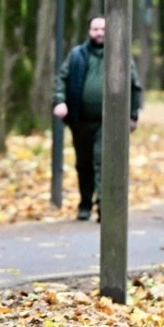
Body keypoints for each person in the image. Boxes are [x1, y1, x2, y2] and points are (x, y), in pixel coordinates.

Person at [52, 16, 141, 222]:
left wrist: (133, 115)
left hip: (109, 122)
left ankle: (103, 205)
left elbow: (134, 86)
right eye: (95, 29)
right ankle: (85, 203)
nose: (99, 33)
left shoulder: (120, 55)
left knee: (102, 161)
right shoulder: (77, 55)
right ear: (89, 31)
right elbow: (62, 79)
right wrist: (60, 101)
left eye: (103, 29)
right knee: (84, 164)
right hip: (80, 120)